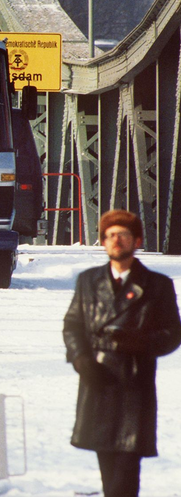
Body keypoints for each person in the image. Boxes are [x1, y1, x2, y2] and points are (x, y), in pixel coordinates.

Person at [63, 209, 181, 497]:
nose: (116, 241)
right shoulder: (88, 281)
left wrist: (139, 343)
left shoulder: (156, 285)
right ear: (103, 242)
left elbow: (173, 333)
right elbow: (73, 325)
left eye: (123, 235)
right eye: (110, 235)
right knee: (105, 456)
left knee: (128, 461)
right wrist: (81, 360)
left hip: (134, 381)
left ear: (136, 241)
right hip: (97, 378)